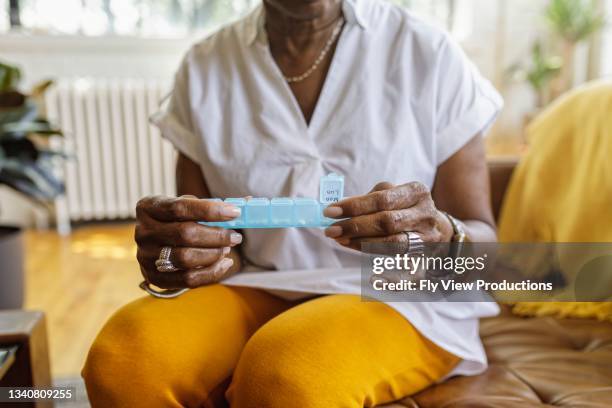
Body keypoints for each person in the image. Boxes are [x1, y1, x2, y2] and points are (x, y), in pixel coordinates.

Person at [82, 0, 503, 406]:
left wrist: (444, 236)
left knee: (287, 374)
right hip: (258, 285)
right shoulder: (205, 66)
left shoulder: (426, 52)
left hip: (400, 294)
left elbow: (485, 245)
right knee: (124, 361)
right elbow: (218, 249)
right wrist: (184, 254)